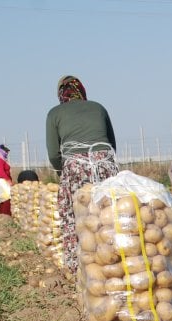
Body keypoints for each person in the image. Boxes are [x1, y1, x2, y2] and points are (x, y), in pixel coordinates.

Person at [46, 74, 118, 274]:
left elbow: (53, 153)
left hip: (76, 165)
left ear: (61, 93)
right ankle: (113, 259)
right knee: (107, 212)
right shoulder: (98, 107)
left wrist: (64, 172)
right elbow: (112, 144)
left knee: (73, 213)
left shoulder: (55, 113)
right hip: (105, 163)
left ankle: (79, 268)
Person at [0, 144, 13, 215]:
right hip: (1, 182)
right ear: (1, 151)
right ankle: (5, 214)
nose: (7, 153)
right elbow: (1, 172)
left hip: (3, 181)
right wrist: (8, 180)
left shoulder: (2, 159)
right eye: (6, 151)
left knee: (3, 199)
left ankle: (3, 214)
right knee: (6, 198)